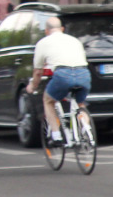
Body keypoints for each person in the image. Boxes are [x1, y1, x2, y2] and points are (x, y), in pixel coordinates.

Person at [25, 16, 90, 145]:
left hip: (62, 74)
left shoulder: (43, 43)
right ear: (62, 29)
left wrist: (32, 86)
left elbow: (38, 72)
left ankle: (56, 136)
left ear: (46, 31)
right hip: (84, 74)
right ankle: (86, 131)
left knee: (48, 100)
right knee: (80, 103)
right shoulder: (75, 40)